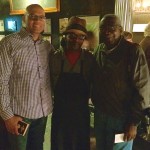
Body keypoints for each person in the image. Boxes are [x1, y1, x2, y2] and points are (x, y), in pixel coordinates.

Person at [92, 14, 150, 150]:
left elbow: (143, 89)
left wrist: (133, 122)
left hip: (122, 118)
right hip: (101, 115)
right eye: (102, 28)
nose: (106, 31)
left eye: (111, 28)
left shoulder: (133, 51)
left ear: (121, 30)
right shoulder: (99, 50)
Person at [0, 4, 54, 150]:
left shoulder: (47, 46)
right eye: (33, 16)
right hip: (19, 116)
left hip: (41, 115)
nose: (37, 21)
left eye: (41, 17)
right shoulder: (8, 43)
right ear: (24, 18)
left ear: (45, 21)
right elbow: (1, 81)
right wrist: (7, 116)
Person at [50, 16, 97, 150]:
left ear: (84, 39)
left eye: (81, 37)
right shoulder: (55, 58)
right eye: (72, 35)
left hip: (81, 114)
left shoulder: (89, 60)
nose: (76, 40)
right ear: (65, 36)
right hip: (60, 113)